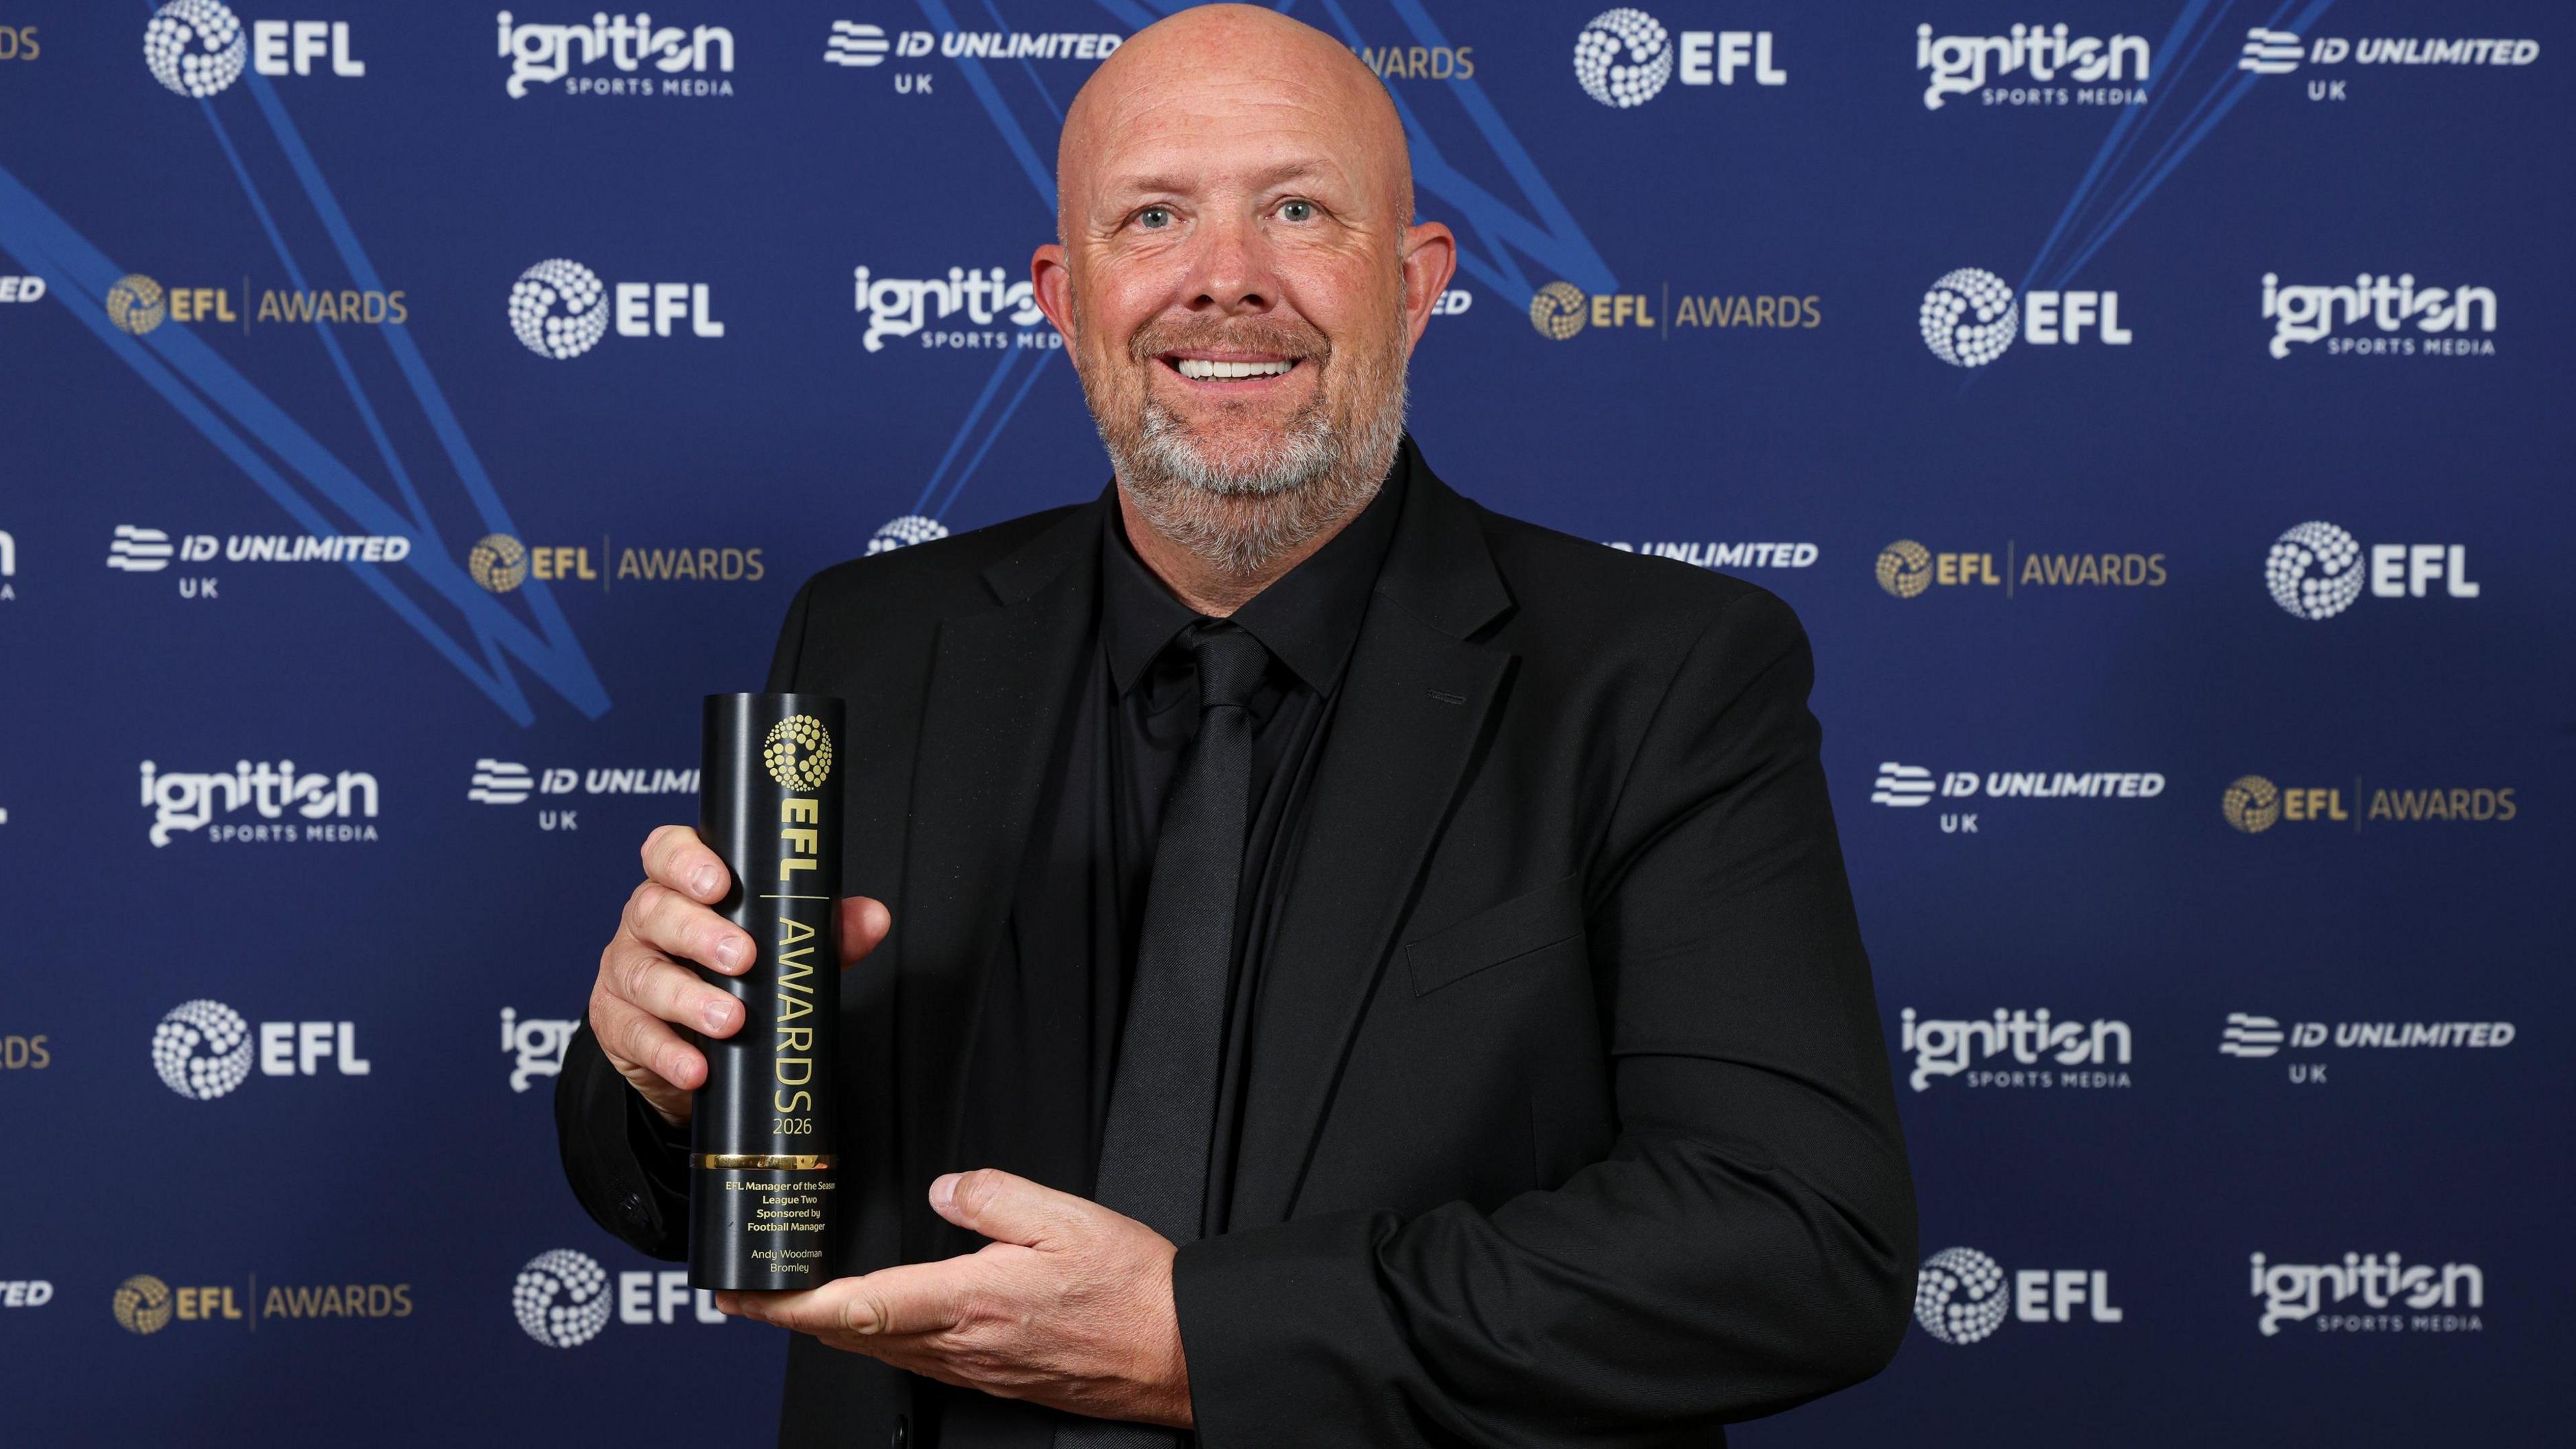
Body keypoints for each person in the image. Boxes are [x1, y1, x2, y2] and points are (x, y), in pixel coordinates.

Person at [555, 7, 1915, 1446]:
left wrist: (1212, 1340)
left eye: (1297, 210)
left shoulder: (1665, 674)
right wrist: (657, 1077)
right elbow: (704, 1173)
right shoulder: (875, 644)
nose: (1226, 281)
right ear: (1064, 299)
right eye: (1154, 218)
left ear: (1417, 282)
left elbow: (1799, 1245)